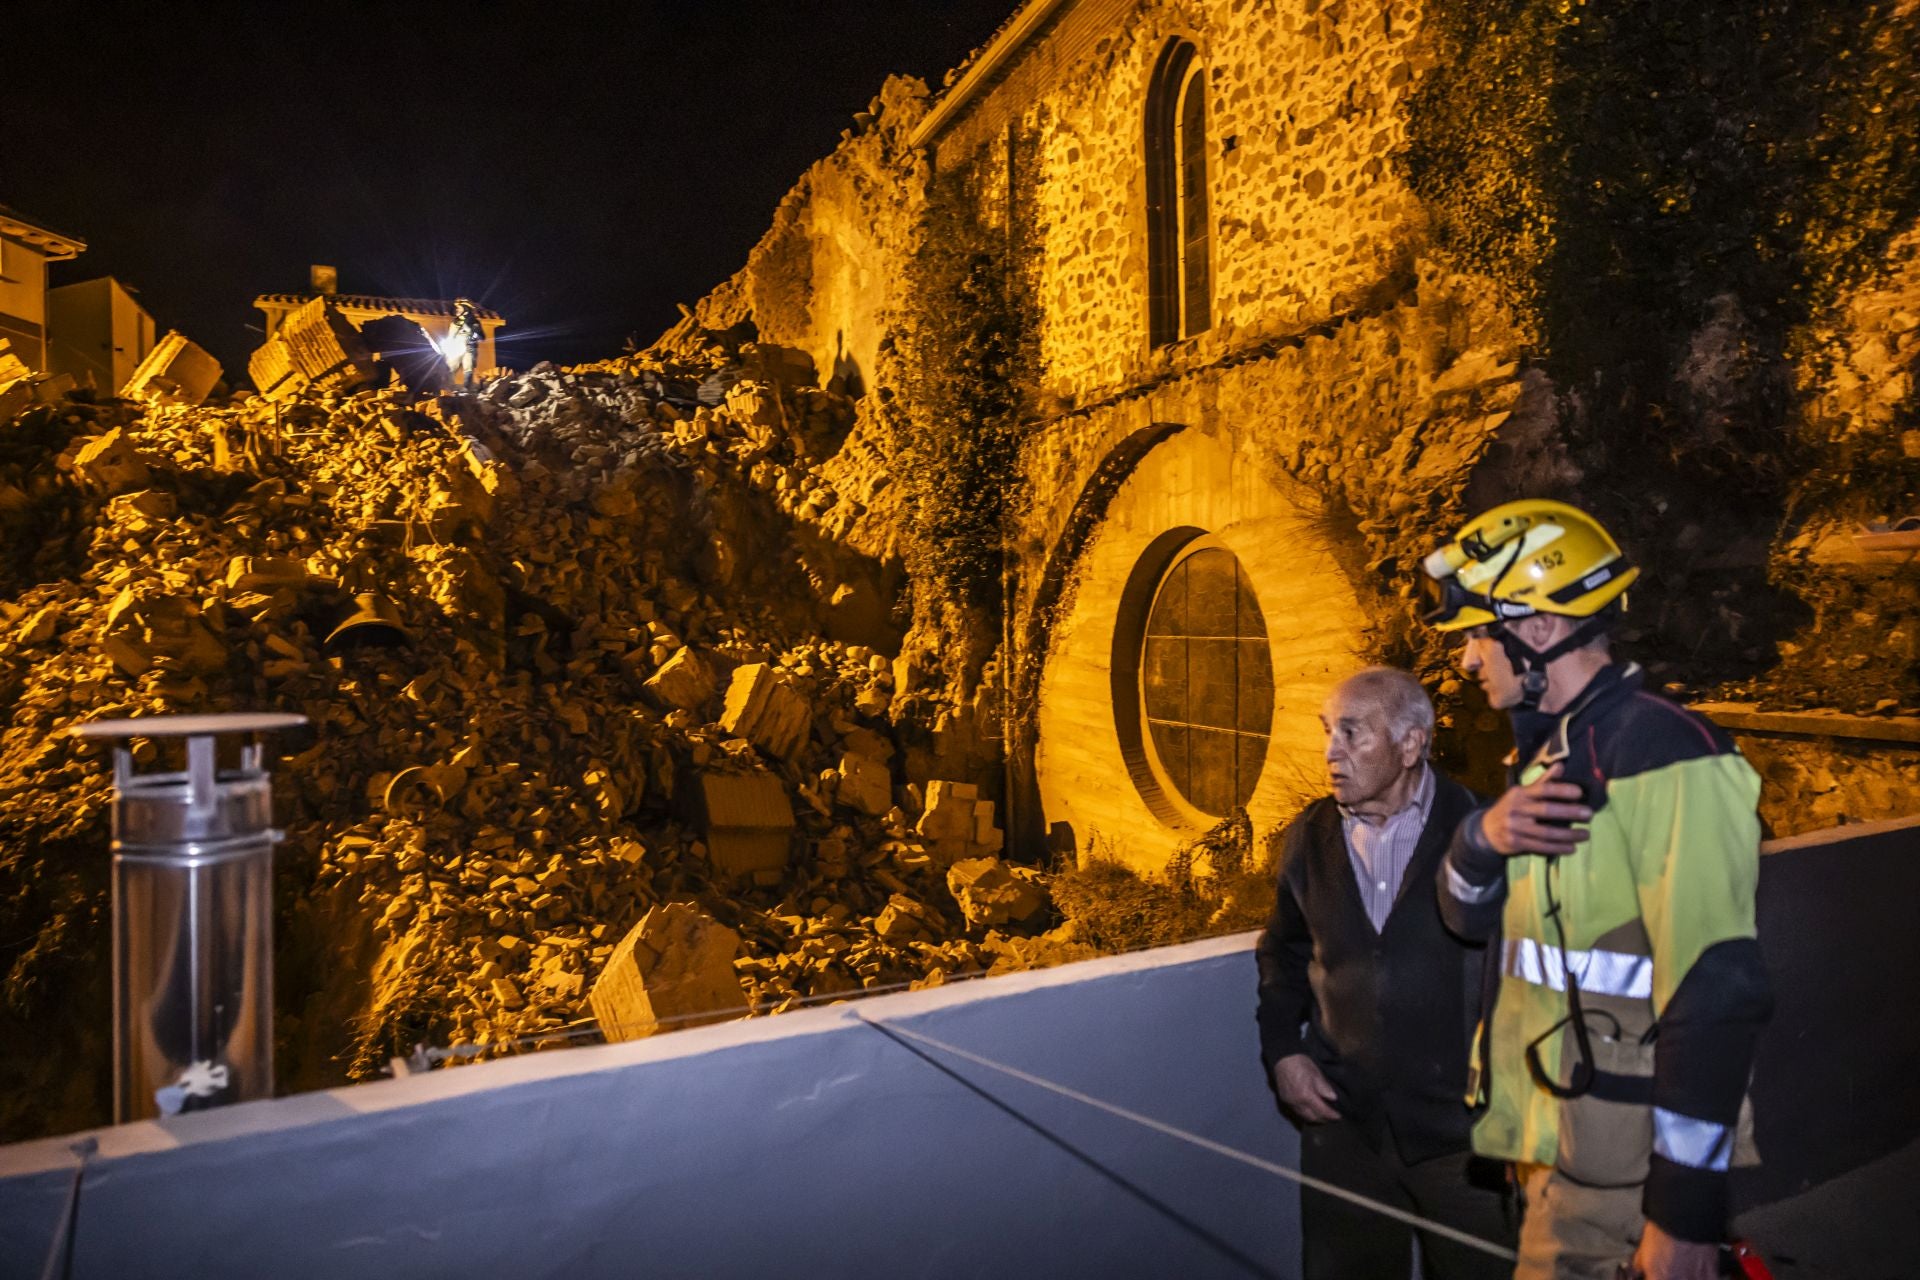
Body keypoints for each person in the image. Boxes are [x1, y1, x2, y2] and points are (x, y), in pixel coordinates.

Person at [1423, 499, 1771, 1280]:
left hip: (1624, 1183)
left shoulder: (1662, 752)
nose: (1468, 658)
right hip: (1554, 1146)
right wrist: (1481, 840)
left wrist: (1683, 1217)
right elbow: (1469, 925)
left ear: (1539, 629)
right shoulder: (1552, 759)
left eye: (1480, 632)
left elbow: (1717, 990)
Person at [1256, 667, 1516, 1280]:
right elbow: (1282, 953)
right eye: (1327, 732)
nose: (1330, 752)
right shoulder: (1309, 836)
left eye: (1352, 732)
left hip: (1464, 1138)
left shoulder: (1482, 833)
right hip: (1342, 1130)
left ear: (1410, 744)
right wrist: (1281, 1053)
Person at [448, 298, 484, 388]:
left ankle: (466, 388)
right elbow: (450, 335)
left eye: (460, 308)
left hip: (469, 348)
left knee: (468, 368)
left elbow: (482, 337)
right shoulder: (455, 322)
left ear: (466, 309)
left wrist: (474, 336)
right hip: (455, 347)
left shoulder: (474, 323)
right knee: (450, 367)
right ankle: (446, 387)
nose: (457, 310)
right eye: (457, 308)